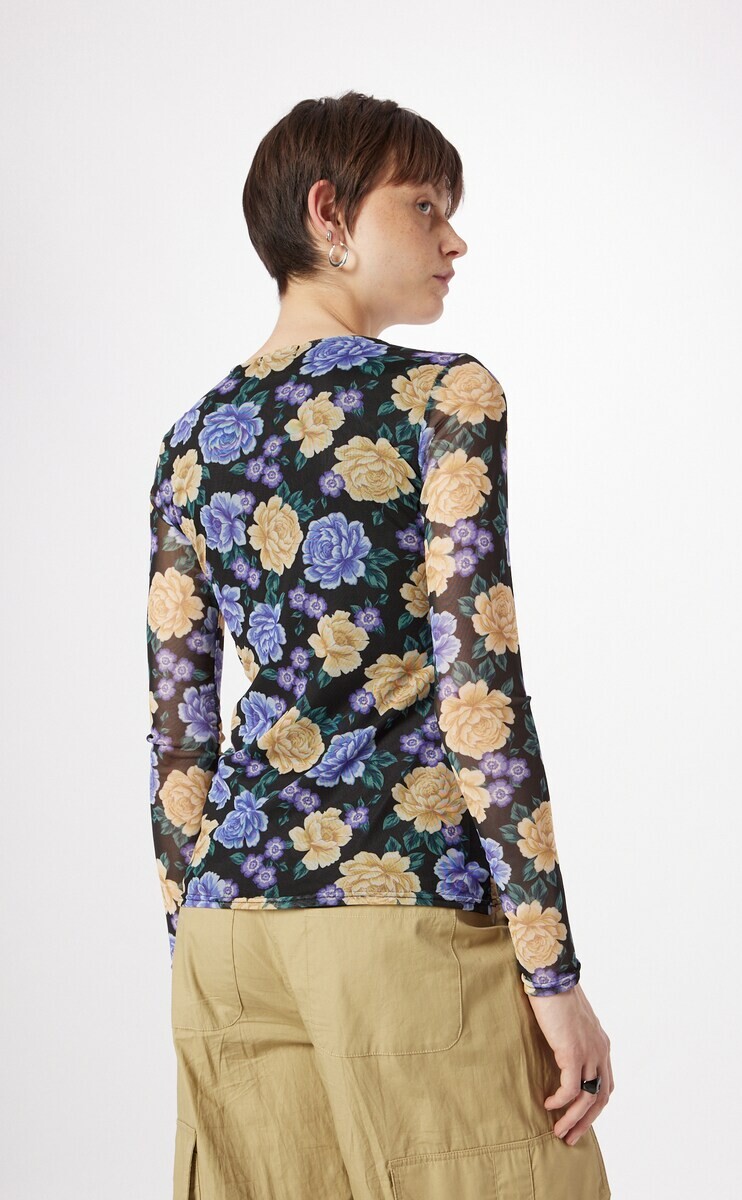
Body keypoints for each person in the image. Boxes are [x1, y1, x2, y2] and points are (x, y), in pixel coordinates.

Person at [146, 89, 614, 1200]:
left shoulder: (191, 442)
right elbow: (478, 693)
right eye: (426, 206)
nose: (455, 241)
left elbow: (179, 728)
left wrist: (191, 933)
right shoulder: (443, 398)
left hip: (227, 937)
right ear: (330, 215)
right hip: (401, 919)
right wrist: (552, 975)